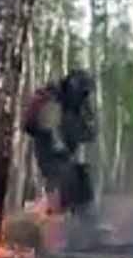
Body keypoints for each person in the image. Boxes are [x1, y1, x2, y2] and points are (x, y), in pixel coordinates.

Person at [22, 69, 98, 224]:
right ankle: (57, 219)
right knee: (66, 177)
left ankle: (84, 221)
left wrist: (87, 116)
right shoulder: (52, 100)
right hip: (49, 153)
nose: (84, 98)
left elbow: (89, 134)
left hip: (63, 154)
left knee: (81, 176)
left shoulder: (75, 106)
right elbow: (36, 125)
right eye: (83, 93)